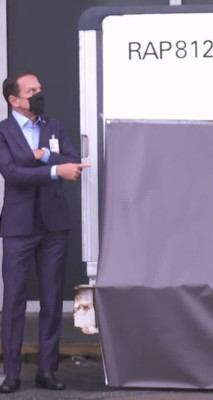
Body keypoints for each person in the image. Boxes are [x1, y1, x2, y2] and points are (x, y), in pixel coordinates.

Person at [0, 71, 89, 393]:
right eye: (31, 91)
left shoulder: (54, 126)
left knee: (52, 300)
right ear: (14, 100)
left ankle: (47, 370)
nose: (39, 94)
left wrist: (45, 155)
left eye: (39, 88)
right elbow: (12, 173)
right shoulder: (3, 132)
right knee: (14, 301)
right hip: (19, 227)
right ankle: (11, 373)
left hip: (54, 226)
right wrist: (53, 170)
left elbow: (74, 162)